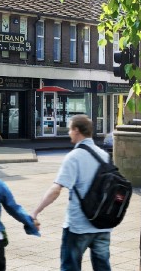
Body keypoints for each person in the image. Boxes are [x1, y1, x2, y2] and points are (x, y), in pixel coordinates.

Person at [32, 115, 113, 271]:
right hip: (103, 225)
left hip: (79, 225)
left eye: (70, 129)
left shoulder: (74, 157)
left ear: (76, 130)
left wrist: (36, 212)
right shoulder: (104, 155)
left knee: (70, 266)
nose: (69, 132)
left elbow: (56, 189)